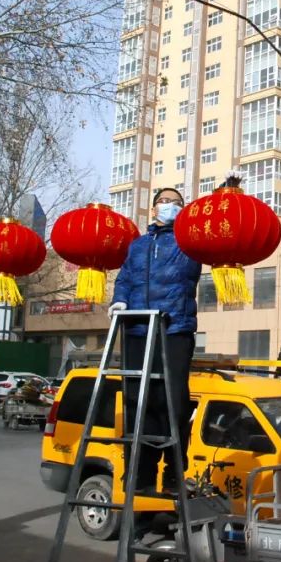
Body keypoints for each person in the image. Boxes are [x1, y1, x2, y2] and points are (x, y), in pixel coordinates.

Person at [108, 186, 202, 495]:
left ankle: (174, 469)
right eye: (164, 202)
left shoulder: (189, 243)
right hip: (136, 327)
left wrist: (224, 193)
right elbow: (124, 278)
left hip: (174, 327)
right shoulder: (138, 246)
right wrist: (120, 300)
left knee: (173, 400)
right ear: (153, 209)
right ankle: (140, 471)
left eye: (177, 203)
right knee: (138, 402)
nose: (170, 207)